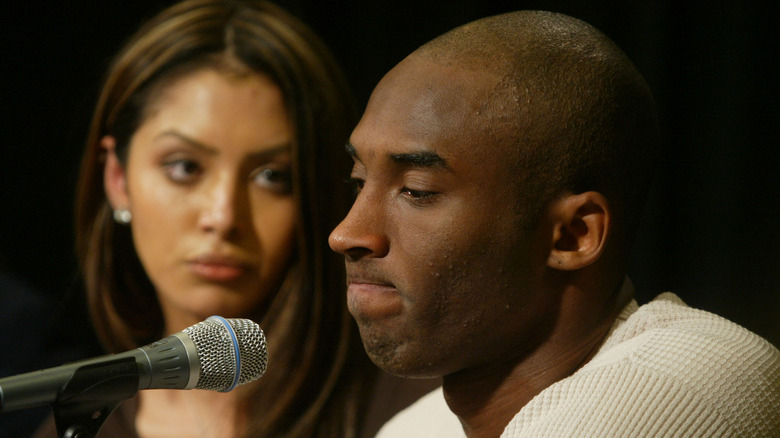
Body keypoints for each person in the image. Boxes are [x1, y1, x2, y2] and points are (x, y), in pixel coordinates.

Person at [328, 10, 780, 438]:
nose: (346, 234)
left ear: (573, 235)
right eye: (358, 181)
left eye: (417, 190)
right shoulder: (416, 428)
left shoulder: (690, 379)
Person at [31, 0, 386, 437]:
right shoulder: (77, 429)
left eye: (272, 176)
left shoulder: (410, 415)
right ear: (118, 178)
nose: (223, 217)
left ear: (316, 194)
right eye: (185, 167)